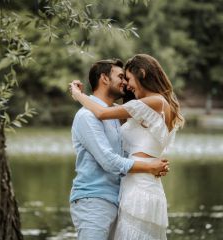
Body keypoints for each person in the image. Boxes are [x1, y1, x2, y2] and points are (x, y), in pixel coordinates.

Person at [70, 54, 184, 240]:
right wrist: (150, 166)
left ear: (142, 73)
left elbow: (102, 112)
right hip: (119, 189)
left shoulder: (153, 102)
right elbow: (107, 118)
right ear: (104, 78)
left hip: (137, 186)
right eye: (122, 78)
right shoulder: (95, 116)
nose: (126, 84)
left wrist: (78, 95)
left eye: (128, 78)